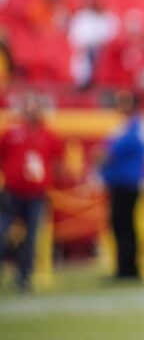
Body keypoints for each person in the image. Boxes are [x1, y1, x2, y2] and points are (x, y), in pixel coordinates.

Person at [0, 92, 63, 292]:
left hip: (36, 194)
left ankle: (24, 277)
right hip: (12, 192)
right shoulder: (11, 133)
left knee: (32, 237)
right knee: (2, 232)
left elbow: (58, 162)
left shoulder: (49, 136)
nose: (31, 111)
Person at [100, 90, 144, 280]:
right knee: (122, 225)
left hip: (127, 183)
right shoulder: (128, 127)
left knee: (124, 225)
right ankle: (124, 266)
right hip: (120, 181)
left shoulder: (136, 127)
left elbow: (112, 151)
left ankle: (128, 268)